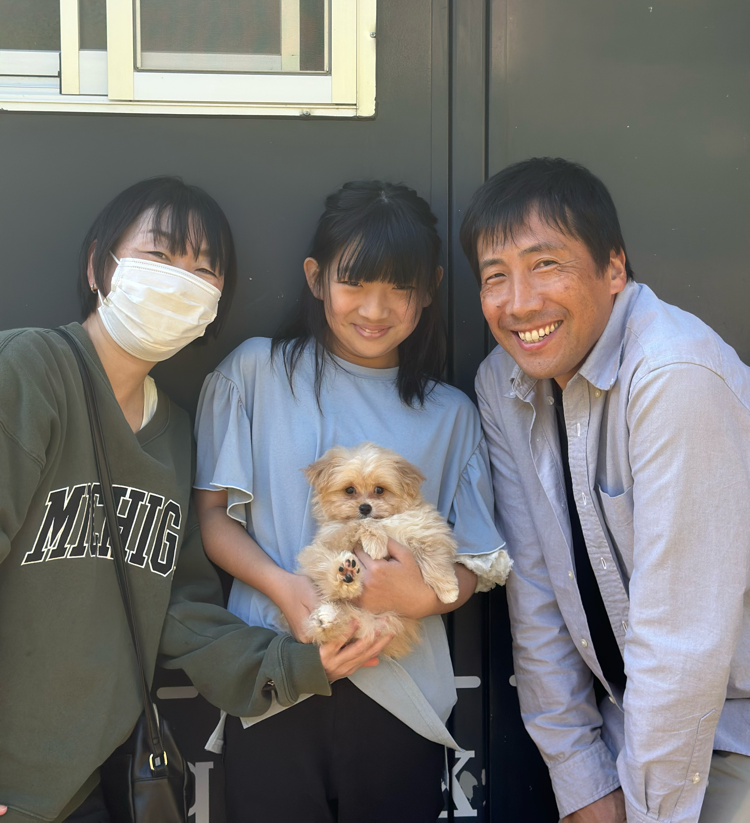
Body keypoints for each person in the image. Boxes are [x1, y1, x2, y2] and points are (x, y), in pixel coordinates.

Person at [0, 177, 337, 823]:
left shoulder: (176, 432)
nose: (180, 281)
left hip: (93, 785)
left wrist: (303, 663)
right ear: (99, 265)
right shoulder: (29, 370)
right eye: (159, 255)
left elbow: (179, 611)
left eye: (203, 270)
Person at [194, 180, 511, 823]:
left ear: (430, 289)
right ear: (316, 278)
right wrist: (287, 588)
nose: (375, 308)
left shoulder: (451, 414)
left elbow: (480, 561)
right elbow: (213, 517)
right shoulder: (255, 373)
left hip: (401, 696)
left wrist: (421, 596)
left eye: (401, 287)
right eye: (355, 282)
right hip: (274, 677)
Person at [460, 157, 750, 823]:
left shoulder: (673, 373)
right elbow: (536, 592)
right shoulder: (503, 382)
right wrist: (582, 780)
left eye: (546, 265)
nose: (519, 303)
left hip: (732, 731)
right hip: (634, 729)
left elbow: (682, 644)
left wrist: (650, 811)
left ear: (614, 268)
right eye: (495, 276)